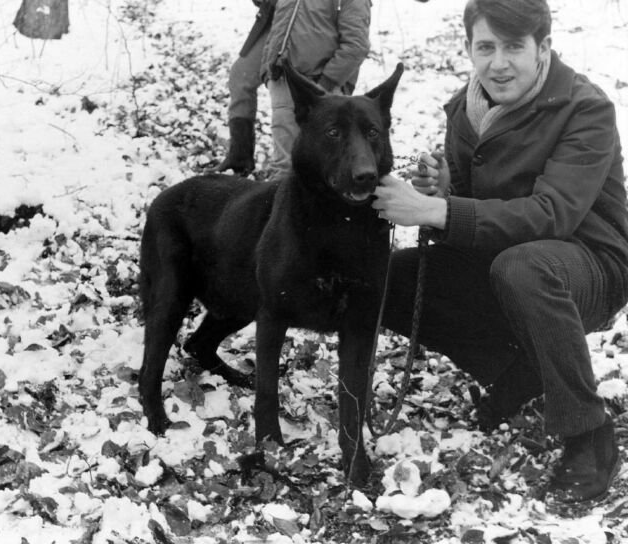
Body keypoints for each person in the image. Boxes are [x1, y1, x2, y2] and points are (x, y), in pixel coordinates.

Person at [372, 0, 628, 503]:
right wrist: (445, 192)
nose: (499, 63)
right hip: (508, 262)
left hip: (591, 266)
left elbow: (552, 214)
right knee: (389, 279)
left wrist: (437, 211)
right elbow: (474, 210)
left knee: (523, 266)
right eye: (486, 47)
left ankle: (589, 435)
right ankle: (518, 372)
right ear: (469, 48)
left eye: (514, 47)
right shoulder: (465, 111)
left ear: (543, 48)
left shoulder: (585, 108)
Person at [260, 0, 372, 181]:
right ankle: (279, 198)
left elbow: (356, 46)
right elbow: (277, 29)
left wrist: (325, 83)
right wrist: (268, 71)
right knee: (283, 168)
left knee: (325, 168)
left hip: (325, 88)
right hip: (284, 81)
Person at [214, 0, 276, 176]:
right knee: (240, 76)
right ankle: (239, 159)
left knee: (291, 91)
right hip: (275, 21)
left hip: (309, 25)